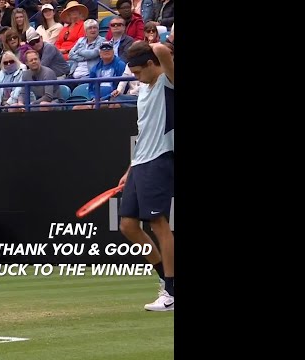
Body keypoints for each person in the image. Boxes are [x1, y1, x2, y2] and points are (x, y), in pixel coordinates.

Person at [118, 41, 174, 311]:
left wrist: (143, 44)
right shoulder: (142, 92)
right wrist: (129, 169)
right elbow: (142, 133)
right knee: (128, 225)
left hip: (160, 160)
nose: (136, 77)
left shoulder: (167, 80)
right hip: (140, 162)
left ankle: (172, 293)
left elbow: (162, 50)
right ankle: (166, 281)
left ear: (152, 64)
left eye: (139, 70)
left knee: (158, 224)